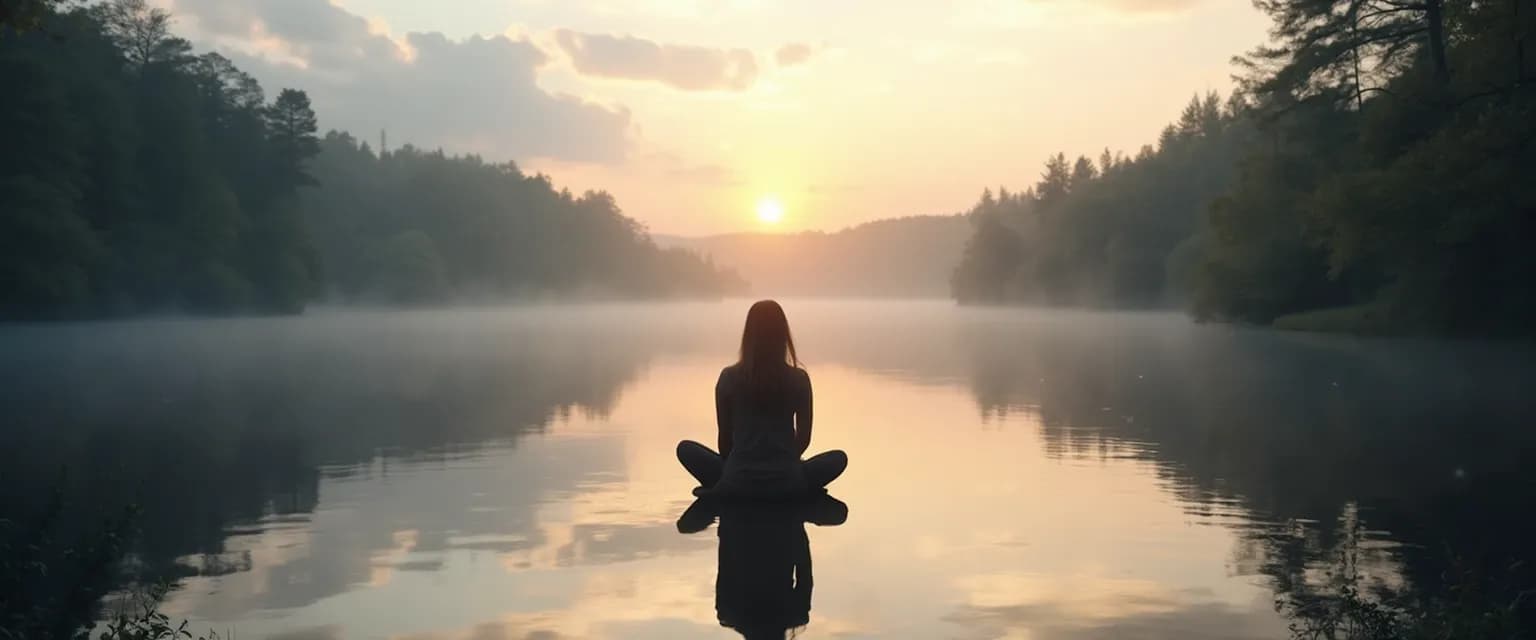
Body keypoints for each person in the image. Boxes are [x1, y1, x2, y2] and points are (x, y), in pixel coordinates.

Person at [677, 300, 848, 499]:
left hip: (737, 482)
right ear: (783, 336)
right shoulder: (799, 379)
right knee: (837, 459)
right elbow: (803, 438)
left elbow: (725, 442)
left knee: (686, 449)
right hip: (788, 482)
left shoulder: (728, 378)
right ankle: (791, 486)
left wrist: (738, 467)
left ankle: (729, 487)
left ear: (748, 336)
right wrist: (785, 463)